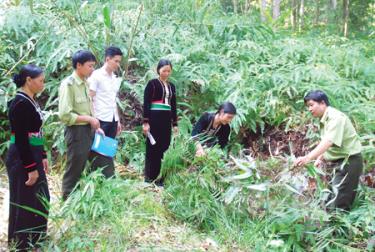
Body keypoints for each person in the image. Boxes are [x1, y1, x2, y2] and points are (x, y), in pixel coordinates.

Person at [294, 90, 363, 211]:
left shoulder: (335, 118)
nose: (309, 109)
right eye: (308, 107)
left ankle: (338, 228)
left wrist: (308, 158)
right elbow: (332, 143)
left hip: (349, 162)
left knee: (339, 202)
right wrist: (321, 157)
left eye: (311, 105)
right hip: (339, 162)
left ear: (322, 103)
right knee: (330, 198)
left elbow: (329, 141)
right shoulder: (325, 118)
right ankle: (330, 226)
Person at [6, 64, 50, 251]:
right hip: (22, 157)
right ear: (29, 80)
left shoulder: (31, 100)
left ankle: (37, 237)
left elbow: (37, 131)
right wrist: (31, 167)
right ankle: (21, 243)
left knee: (41, 196)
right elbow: (22, 139)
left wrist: (43, 155)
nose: (43, 84)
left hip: (33, 153)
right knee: (24, 199)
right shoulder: (19, 103)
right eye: (41, 81)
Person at [58, 50, 102, 199]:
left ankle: (81, 199)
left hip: (88, 130)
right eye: (90, 66)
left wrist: (96, 125)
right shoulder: (68, 85)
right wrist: (89, 120)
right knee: (75, 168)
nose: (92, 70)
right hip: (76, 132)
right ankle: (67, 201)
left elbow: (89, 108)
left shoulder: (85, 83)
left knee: (88, 165)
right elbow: (65, 114)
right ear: (78, 65)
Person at [88, 46, 123, 177]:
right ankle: (96, 177)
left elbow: (113, 100)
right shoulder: (96, 76)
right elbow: (90, 98)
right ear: (107, 59)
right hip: (100, 119)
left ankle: (107, 177)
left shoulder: (114, 77)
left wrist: (118, 120)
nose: (118, 64)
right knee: (97, 151)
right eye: (116, 61)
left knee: (108, 150)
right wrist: (94, 119)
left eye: (119, 61)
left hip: (112, 118)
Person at [142, 59, 178, 186]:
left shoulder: (172, 86)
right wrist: (146, 122)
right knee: (153, 147)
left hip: (166, 120)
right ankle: (149, 177)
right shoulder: (152, 84)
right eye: (164, 70)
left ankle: (160, 178)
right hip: (154, 118)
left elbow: (173, 105)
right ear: (158, 70)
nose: (166, 73)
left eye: (169, 71)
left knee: (165, 146)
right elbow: (146, 103)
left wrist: (175, 124)